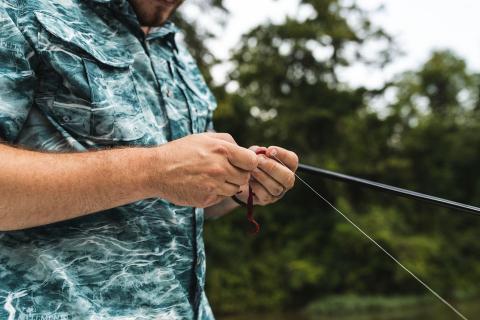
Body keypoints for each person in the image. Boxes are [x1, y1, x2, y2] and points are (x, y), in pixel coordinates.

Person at [0, 0, 299, 319]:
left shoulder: (174, 50)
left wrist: (237, 184)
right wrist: (152, 170)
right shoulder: (19, 11)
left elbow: (181, 197)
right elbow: (162, 172)